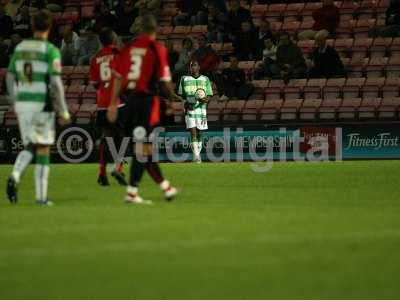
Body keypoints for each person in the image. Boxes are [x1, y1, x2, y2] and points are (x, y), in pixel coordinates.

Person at [107, 14, 181, 204]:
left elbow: (117, 76)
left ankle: (167, 188)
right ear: (155, 30)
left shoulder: (128, 48)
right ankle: (132, 193)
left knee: (145, 149)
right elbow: (164, 80)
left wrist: (114, 103)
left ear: (140, 30)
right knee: (142, 149)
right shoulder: (156, 48)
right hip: (146, 103)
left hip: (129, 103)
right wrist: (172, 100)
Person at [6, 10, 70, 206]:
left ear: (33, 26)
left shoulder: (20, 48)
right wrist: (63, 110)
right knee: (43, 149)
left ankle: (16, 175)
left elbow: (9, 76)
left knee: (30, 146)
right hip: (41, 104)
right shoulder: (50, 50)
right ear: (49, 28)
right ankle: (41, 198)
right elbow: (56, 83)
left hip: (23, 104)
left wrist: (15, 100)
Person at [89, 27, 127, 187]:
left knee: (106, 138)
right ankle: (118, 167)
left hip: (102, 104)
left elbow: (95, 84)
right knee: (124, 137)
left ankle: (102, 173)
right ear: (113, 38)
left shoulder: (95, 58)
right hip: (117, 102)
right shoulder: (119, 54)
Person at [178, 60, 213, 163]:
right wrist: (185, 103)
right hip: (190, 109)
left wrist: (204, 100)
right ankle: (196, 156)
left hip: (202, 110)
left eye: (195, 65)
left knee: (200, 133)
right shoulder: (184, 79)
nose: (193, 67)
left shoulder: (205, 79)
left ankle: (197, 154)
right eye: (191, 66)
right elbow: (181, 95)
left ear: (199, 67)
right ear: (189, 68)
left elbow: (210, 95)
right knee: (193, 132)